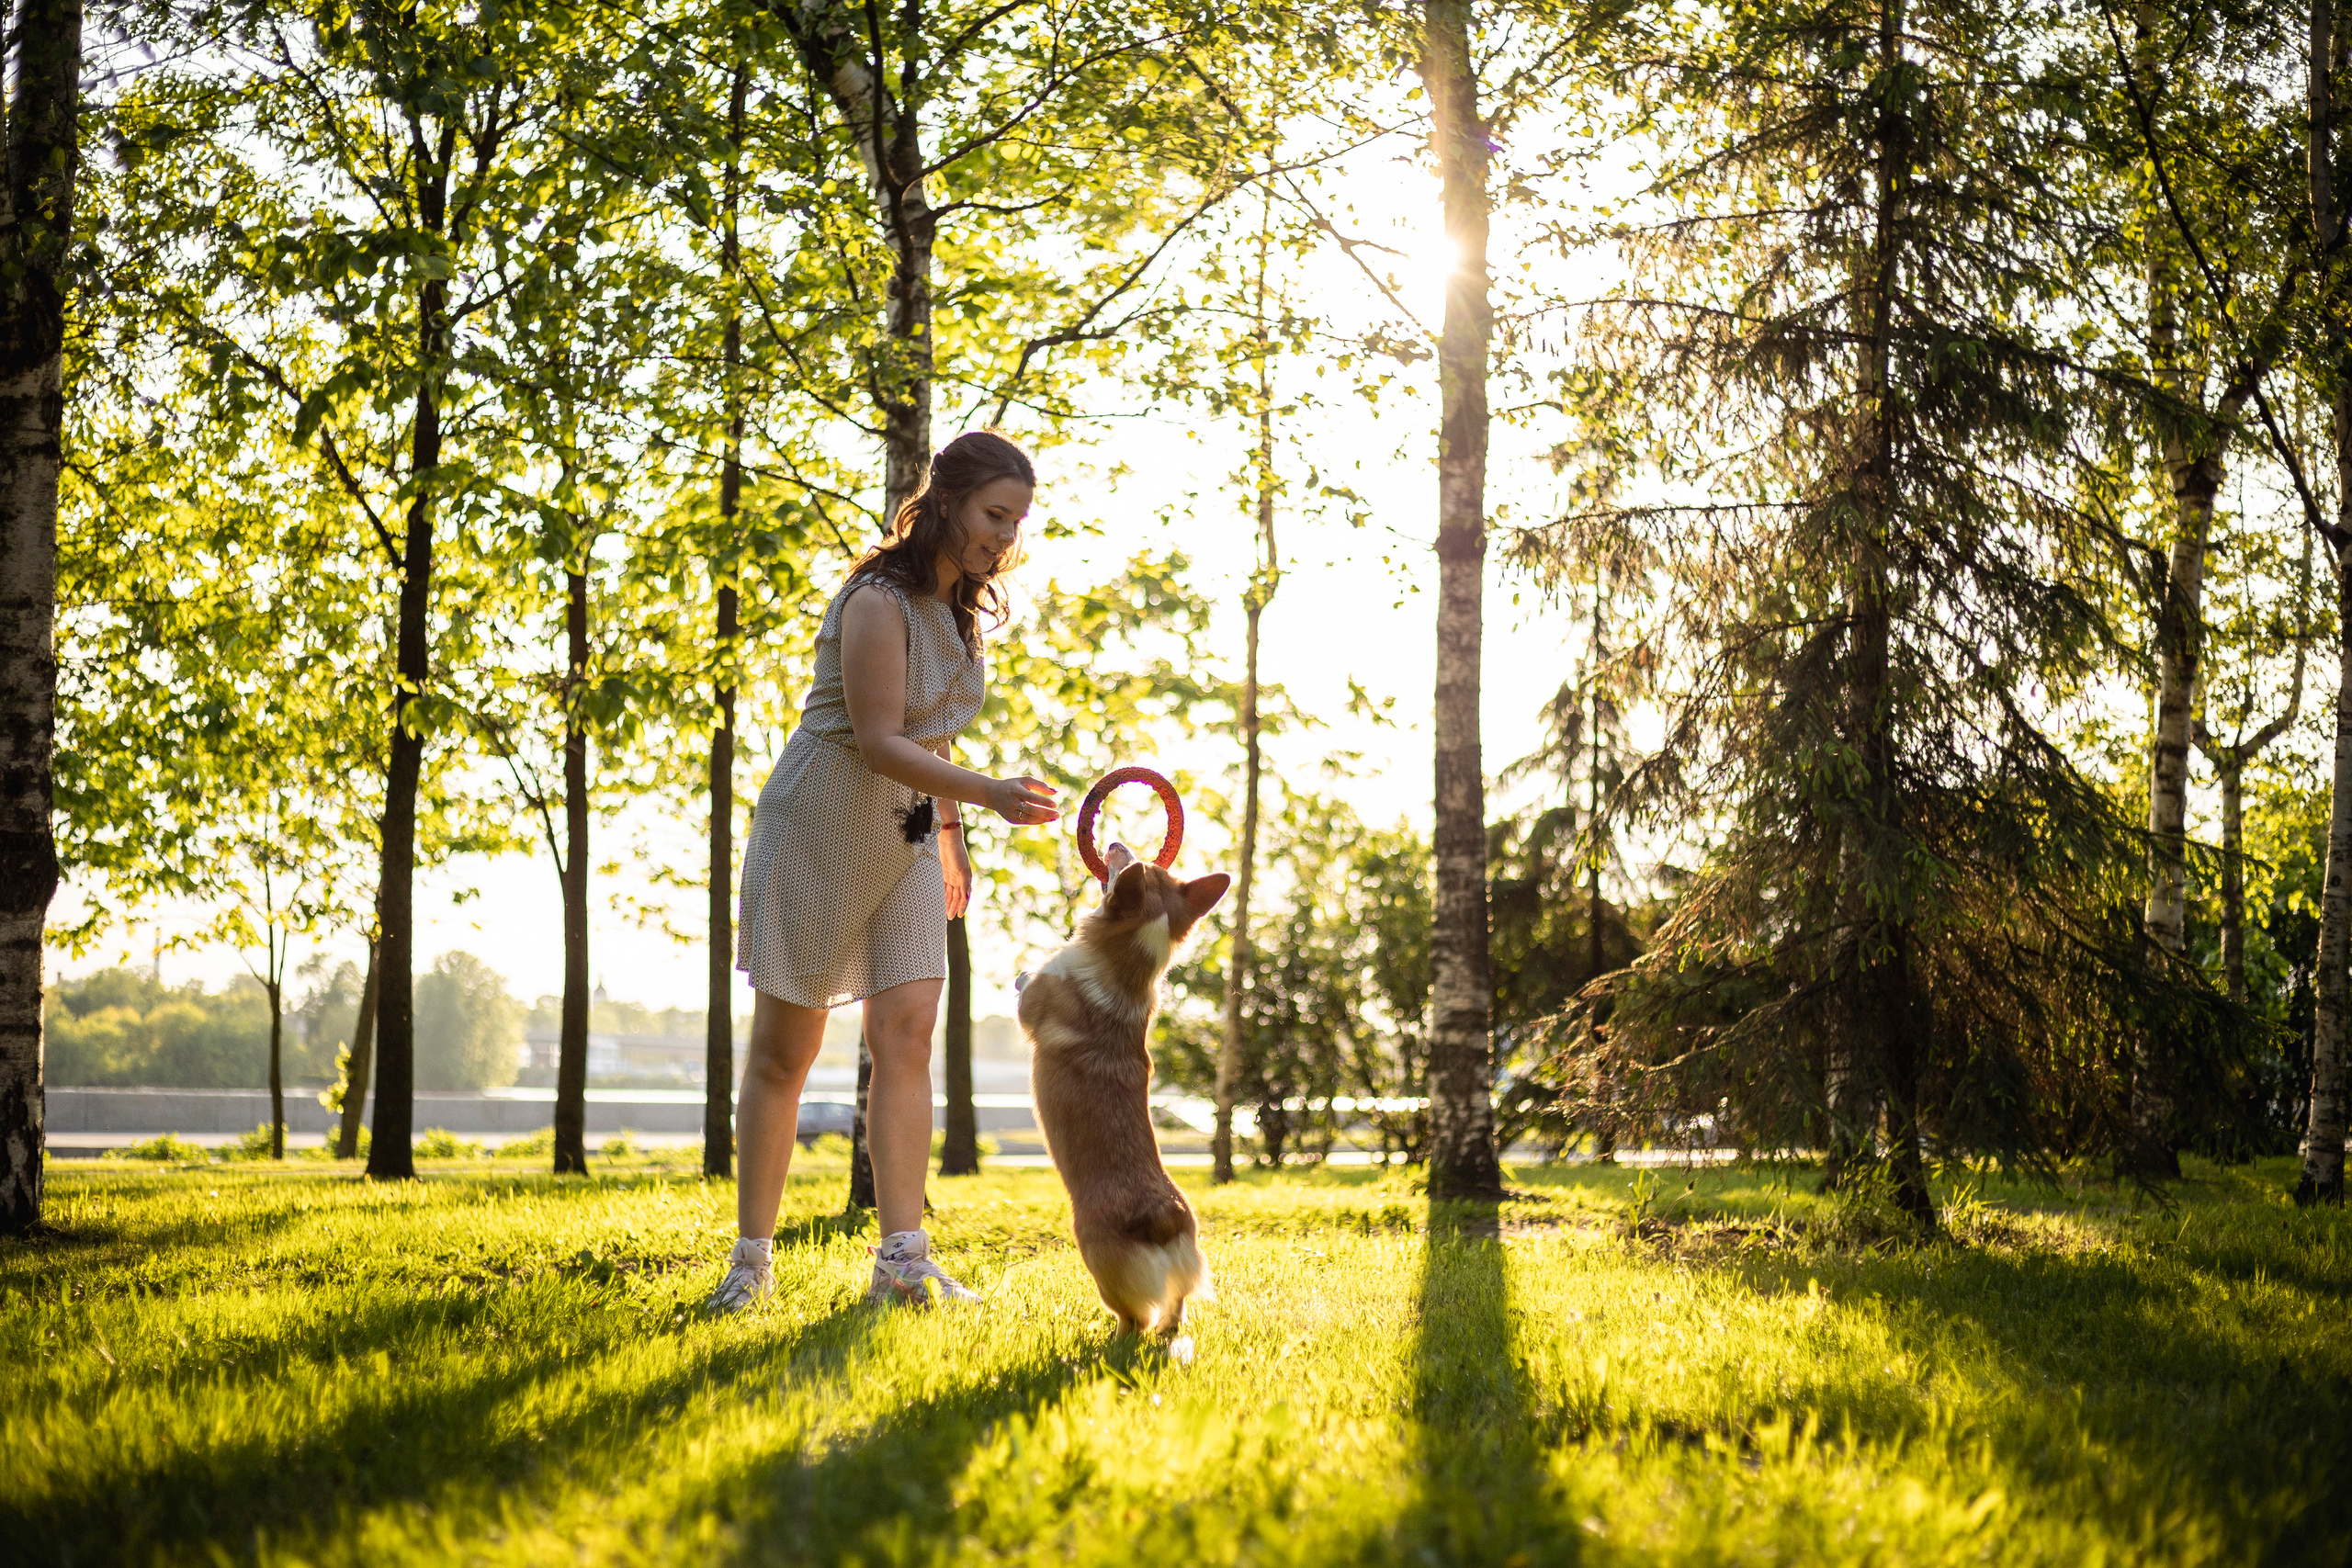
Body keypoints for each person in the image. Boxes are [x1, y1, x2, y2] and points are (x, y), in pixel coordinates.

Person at [707, 430, 1057, 1312]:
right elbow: (878, 739)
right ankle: (750, 1264)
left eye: (1017, 521)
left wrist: (951, 833)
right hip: (818, 826)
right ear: (946, 501)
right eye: (994, 514)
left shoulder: (959, 612)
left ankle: (902, 1262)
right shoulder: (876, 600)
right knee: (785, 1053)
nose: (1005, 536)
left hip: (904, 834)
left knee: (906, 1034)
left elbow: (932, 735)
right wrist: (989, 793)